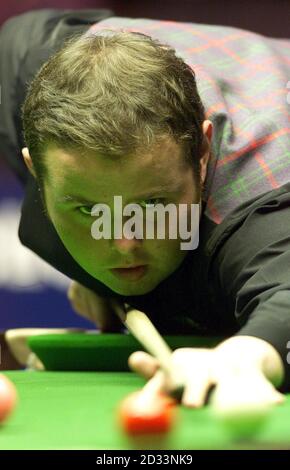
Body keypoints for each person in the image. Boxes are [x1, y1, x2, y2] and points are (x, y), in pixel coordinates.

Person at [1, 9, 290, 409]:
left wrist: (248, 355)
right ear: (37, 169)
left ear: (201, 154)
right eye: (88, 210)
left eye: (151, 205)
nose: (123, 244)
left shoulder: (259, 211)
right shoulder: (22, 66)